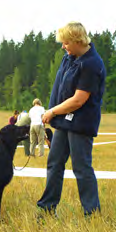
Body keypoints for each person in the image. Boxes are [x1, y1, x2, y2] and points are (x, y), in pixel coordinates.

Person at [37, 22, 106, 217]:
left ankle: (92, 215)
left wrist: (51, 112)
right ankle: (46, 209)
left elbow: (78, 100)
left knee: (81, 168)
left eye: (66, 42)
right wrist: (55, 113)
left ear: (77, 40)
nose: (63, 46)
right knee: (54, 163)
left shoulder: (92, 64)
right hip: (63, 122)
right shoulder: (69, 58)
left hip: (81, 123)